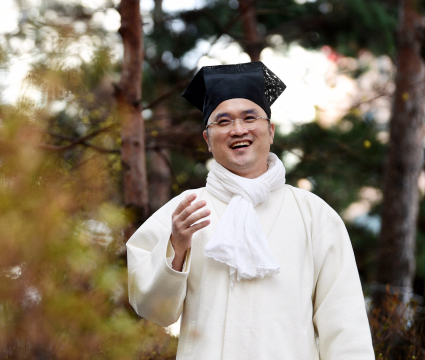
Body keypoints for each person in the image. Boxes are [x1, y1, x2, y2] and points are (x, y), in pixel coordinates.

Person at [126, 61, 374, 359]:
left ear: (270, 130)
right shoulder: (185, 212)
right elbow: (152, 309)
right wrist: (176, 248)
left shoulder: (314, 215)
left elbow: (345, 325)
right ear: (207, 138)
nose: (238, 129)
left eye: (249, 117)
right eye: (223, 121)